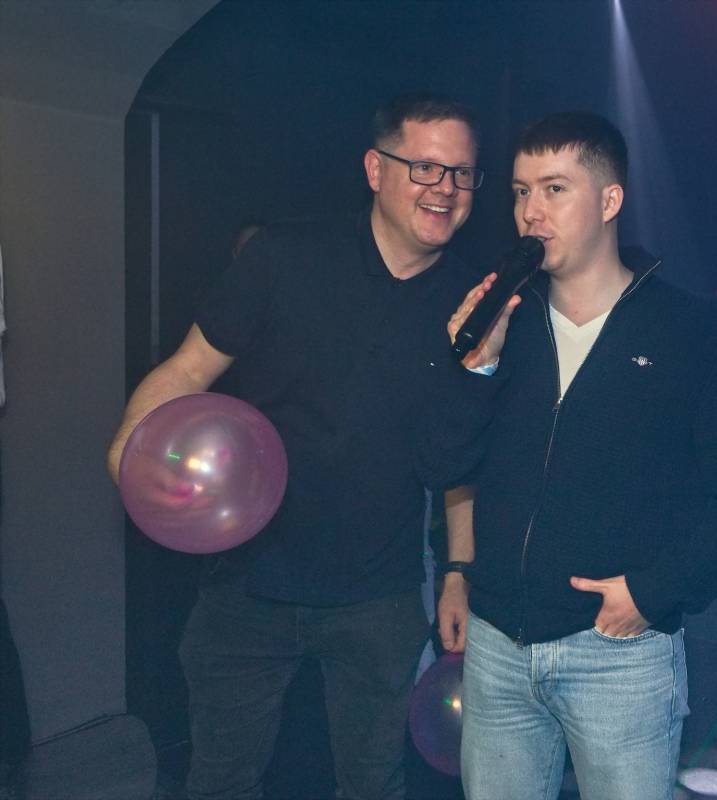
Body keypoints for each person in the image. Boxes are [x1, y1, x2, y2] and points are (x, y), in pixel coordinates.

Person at [107, 92, 485, 800]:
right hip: (250, 584)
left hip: (377, 593)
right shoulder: (284, 257)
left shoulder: (473, 301)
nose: (445, 188)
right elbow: (188, 370)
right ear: (376, 169)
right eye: (425, 168)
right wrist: (130, 447)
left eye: (462, 173)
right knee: (222, 781)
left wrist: (458, 570)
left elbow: (461, 453)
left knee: (372, 784)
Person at [422, 111, 717, 800]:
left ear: (610, 199)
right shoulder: (506, 320)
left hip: (617, 654)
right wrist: (475, 369)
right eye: (521, 192)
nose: (531, 211)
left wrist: (653, 592)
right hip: (498, 647)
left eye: (555, 189)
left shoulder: (685, 331)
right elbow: (443, 465)